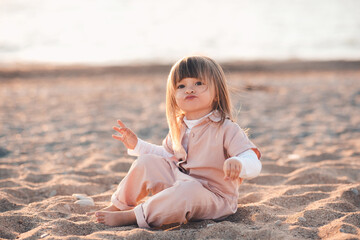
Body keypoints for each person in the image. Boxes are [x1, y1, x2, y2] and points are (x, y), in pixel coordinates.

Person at [91, 55, 261, 228]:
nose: (189, 89)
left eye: (198, 83)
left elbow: (253, 161)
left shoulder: (226, 128)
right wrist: (137, 145)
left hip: (213, 197)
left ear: (217, 93)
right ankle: (119, 206)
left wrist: (239, 162)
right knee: (146, 162)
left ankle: (134, 216)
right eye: (181, 86)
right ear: (173, 96)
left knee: (187, 191)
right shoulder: (179, 126)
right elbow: (167, 156)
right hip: (180, 182)